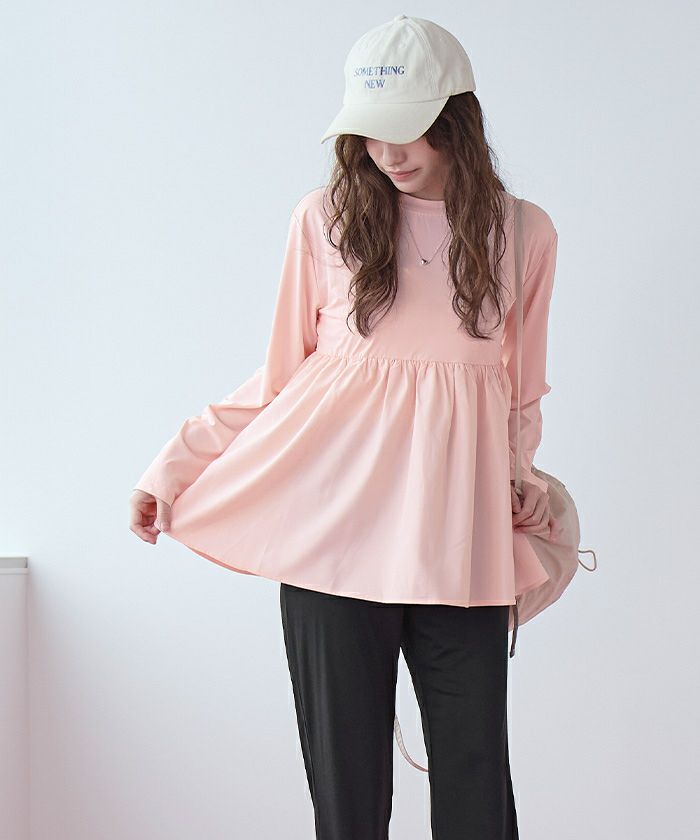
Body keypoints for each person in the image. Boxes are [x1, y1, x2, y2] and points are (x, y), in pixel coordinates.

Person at [129, 14, 558, 840]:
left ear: (455, 119)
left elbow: (518, 392)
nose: (387, 151)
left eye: (407, 128)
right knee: (346, 798)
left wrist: (520, 473)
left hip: (458, 539)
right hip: (330, 536)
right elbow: (279, 379)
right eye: (369, 131)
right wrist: (173, 467)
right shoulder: (325, 219)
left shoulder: (522, 231)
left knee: (476, 785)